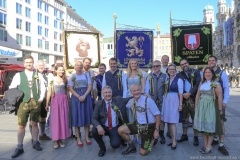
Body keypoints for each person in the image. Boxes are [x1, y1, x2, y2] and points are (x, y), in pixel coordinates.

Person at [10, 55, 45, 158]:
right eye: (27, 62)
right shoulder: (18, 75)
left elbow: (43, 86)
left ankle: (36, 142)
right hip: (23, 102)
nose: (29, 64)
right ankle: (20, 146)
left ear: (33, 63)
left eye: (30, 62)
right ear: (24, 63)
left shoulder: (37, 74)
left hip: (35, 101)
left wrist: (41, 98)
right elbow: (12, 87)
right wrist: (18, 97)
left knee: (34, 123)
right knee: (21, 125)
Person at [118, 84, 160, 156]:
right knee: (120, 130)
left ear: (141, 91)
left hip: (149, 127)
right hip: (138, 125)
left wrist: (156, 130)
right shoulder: (131, 101)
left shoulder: (148, 100)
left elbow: (158, 115)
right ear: (131, 93)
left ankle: (153, 140)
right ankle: (132, 146)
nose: (136, 92)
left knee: (143, 153)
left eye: (138, 90)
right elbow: (125, 107)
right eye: (134, 91)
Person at [91, 85, 129, 157]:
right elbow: (93, 118)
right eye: (106, 93)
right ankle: (102, 148)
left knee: (115, 145)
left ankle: (120, 138)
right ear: (103, 94)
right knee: (94, 130)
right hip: (104, 126)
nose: (108, 94)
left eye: (109, 92)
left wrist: (143, 94)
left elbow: (129, 99)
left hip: (114, 127)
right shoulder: (99, 104)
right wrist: (99, 126)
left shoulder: (118, 100)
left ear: (112, 93)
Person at [194, 67, 223, 154]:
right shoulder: (201, 83)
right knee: (202, 126)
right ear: (204, 74)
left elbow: (220, 98)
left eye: (209, 72)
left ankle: (209, 146)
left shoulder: (216, 84)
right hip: (201, 107)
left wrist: (220, 109)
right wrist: (196, 106)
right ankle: (205, 144)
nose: (207, 74)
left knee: (209, 126)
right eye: (206, 72)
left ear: (213, 74)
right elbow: (197, 95)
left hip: (210, 107)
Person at [208, 56, 229, 155]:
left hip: (219, 101)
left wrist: (225, 101)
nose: (211, 62)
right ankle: (215, 138)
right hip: (209, 102)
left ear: (216, 62)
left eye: (213, 60)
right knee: (212, 121)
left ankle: (221, 144)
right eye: (209, 61)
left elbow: (226, 87)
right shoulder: (207, 73)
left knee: (220, 122)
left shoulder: (222, 73)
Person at [68, 61, 93, 147]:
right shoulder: (72, 76)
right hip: (76, 98)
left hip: (86, 97)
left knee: (86, 117)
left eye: (81, 65)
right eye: (77, 65)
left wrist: (85, 95)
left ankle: (86, 137)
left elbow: (90, 86)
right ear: (74, 66)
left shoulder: (86, 75)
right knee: (76, 117)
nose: (79, 66)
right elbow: (70, 88)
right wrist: (79, 96)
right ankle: (78, 138)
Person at [45, 64, 70, 149]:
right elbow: (49, 92)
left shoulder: (66, 79)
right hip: (55, 100)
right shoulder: (52, 79)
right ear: (55, 70)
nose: (61, 71)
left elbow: (67, 92)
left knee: (63, 120)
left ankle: (61, 139)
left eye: (62, 70)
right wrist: (46, 104)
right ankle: (56, 140)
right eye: (59, 70)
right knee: (55, 120)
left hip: (63, 100)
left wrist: (69, 102)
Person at [177, 59, 201, 146]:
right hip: (184, 99)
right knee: (184, 118)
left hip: (194, 98)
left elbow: (198, 84)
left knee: (195, 118)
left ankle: (195, 137)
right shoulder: (179, 74)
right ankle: (184, 135)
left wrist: (190, 93)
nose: (184, 65)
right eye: (182, 64)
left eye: (185, 63)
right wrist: (183, 94)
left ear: (188, 63)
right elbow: (178, 86)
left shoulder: (196, 72)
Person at [161, 64, 183, 150]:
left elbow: (180, 93)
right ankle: (172, 139)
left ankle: (174, 141)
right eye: (170, 69)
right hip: (166, 101)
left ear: (175, 70)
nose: (172, 71)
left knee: (173, 122)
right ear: (167, 70)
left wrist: (180, 104)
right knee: (169, 121)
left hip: (174, 100)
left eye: (173, 69)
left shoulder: (179, 80)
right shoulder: (166, 79)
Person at [145, 60, 167, 144]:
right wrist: (148, 95)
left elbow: (167, 87)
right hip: (153, 100)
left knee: (161, 118)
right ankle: (153, 135)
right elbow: (147, 89)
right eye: (153, 66)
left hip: (162, 100)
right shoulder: (149, 76)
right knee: (153, 118)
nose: (155, 67)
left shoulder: (165, 76)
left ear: (160, 66)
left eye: (157, 66)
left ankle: (161, 134)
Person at [126, 59, 146, 144]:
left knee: (139, 116)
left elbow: (143, 87)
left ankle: (140, 136)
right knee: (132, 117)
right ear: (129, 65)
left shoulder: (140, 74)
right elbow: (126, 86)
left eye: (135, 63)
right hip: (129, 96)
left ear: (137, 64)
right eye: (132, 63)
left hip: (138, 96)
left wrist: (140, 96)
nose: (133, 65)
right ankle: (134, 135)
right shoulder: (127, 74)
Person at [35, 60, 51, 141]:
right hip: (35, 99)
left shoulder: (46, 75)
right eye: (39, 65)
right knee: (33, 119)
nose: (41, 67)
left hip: (44, 99)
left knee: (43, 117)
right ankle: (34, 138)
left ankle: (42, 134)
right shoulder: (33, 75)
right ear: (36, 66)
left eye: (42, 65)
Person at [82, 57, 97, 138]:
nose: (88, 64)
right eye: (86, 62)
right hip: (81, 96)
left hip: (90, 96)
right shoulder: (78, 72)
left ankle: (90, 132)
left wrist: (95, 99)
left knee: (91, 115)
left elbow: (93, 86)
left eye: (89, 63)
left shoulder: (91, 72)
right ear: (83, 62)